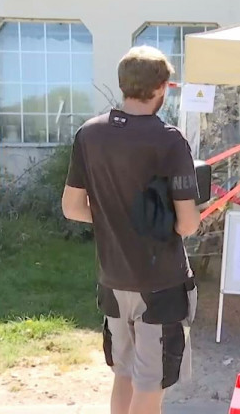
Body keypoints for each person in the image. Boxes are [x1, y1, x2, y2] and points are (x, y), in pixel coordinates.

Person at [61, 46, 200, 414]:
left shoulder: (88, 134)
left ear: (123, 85)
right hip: (160, 284)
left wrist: (113, 219)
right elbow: (187, 224)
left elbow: (72, 208)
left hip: (112, 280)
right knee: (150, 383)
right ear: (162, 88)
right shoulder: (170, 140)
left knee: (124, 375)